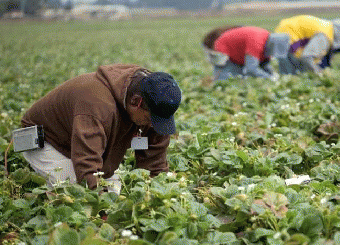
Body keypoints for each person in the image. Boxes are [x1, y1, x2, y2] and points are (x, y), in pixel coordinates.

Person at [20, 64, 182, 194]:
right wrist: (100, 202)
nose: (152, 125)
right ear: (135, 101)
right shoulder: (97, 105)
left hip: (85, 138)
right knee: (75, 189)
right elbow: (87, 164)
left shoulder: (156, 99)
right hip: (47, 138)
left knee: (114, 191)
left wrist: (158, 191)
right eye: (149, 119)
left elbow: (155, 162)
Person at [203, 26, 290, 81]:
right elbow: (251, 69)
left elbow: (264, 64)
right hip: (224, 49)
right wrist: (269, 78)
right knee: (226, 78)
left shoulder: (267, 42)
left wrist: (271, 74)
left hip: (240, 53)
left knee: (241, 78)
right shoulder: (257, 42)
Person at [274, 15, 340, 75]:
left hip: (283, 32)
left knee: (291, 72)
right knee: (292, 74)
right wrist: (318, 73)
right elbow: (307, 57)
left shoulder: (326, 27)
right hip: (287, 37)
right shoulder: (325, 36)